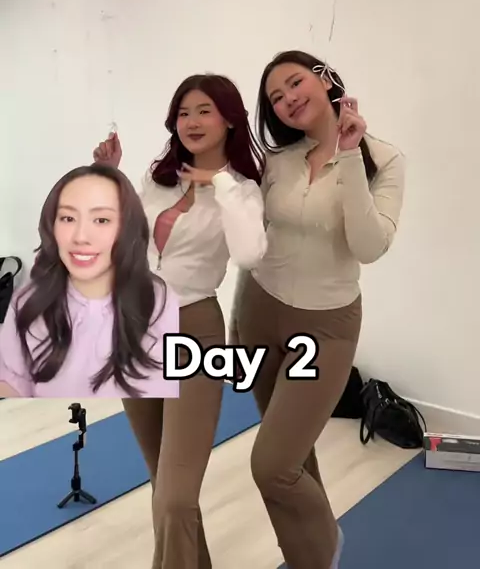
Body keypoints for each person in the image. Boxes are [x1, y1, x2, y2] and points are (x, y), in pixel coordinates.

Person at [229, 50, 406, 569]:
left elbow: (369, 247)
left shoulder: (384, 159)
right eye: (275, 97)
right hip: (260, 311)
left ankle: (325, 543)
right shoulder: (278, 161)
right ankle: (308, 559)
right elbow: (254, 246)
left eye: (294, 83)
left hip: (327, 326)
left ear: (325, 80)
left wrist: (348, 156)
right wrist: (236, 324)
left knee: (272, 465)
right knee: (295, 455)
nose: (287, 99)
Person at [92, 73, 267, 569]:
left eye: (204, 110)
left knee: (175, 496)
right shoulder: (159, 177)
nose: (191, 121)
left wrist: (221, 183)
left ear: (229, 119)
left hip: (194, 329)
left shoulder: (243, 190)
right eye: (184, 113)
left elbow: (249, 254)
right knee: (165, 486)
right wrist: (109, 176)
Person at [0, 164, 179, 399]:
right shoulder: (27, 301)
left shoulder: (160, 302)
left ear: (127, 228)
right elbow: (12, 384)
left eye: (101, 220)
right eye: (68, 218)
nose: (81, 237)